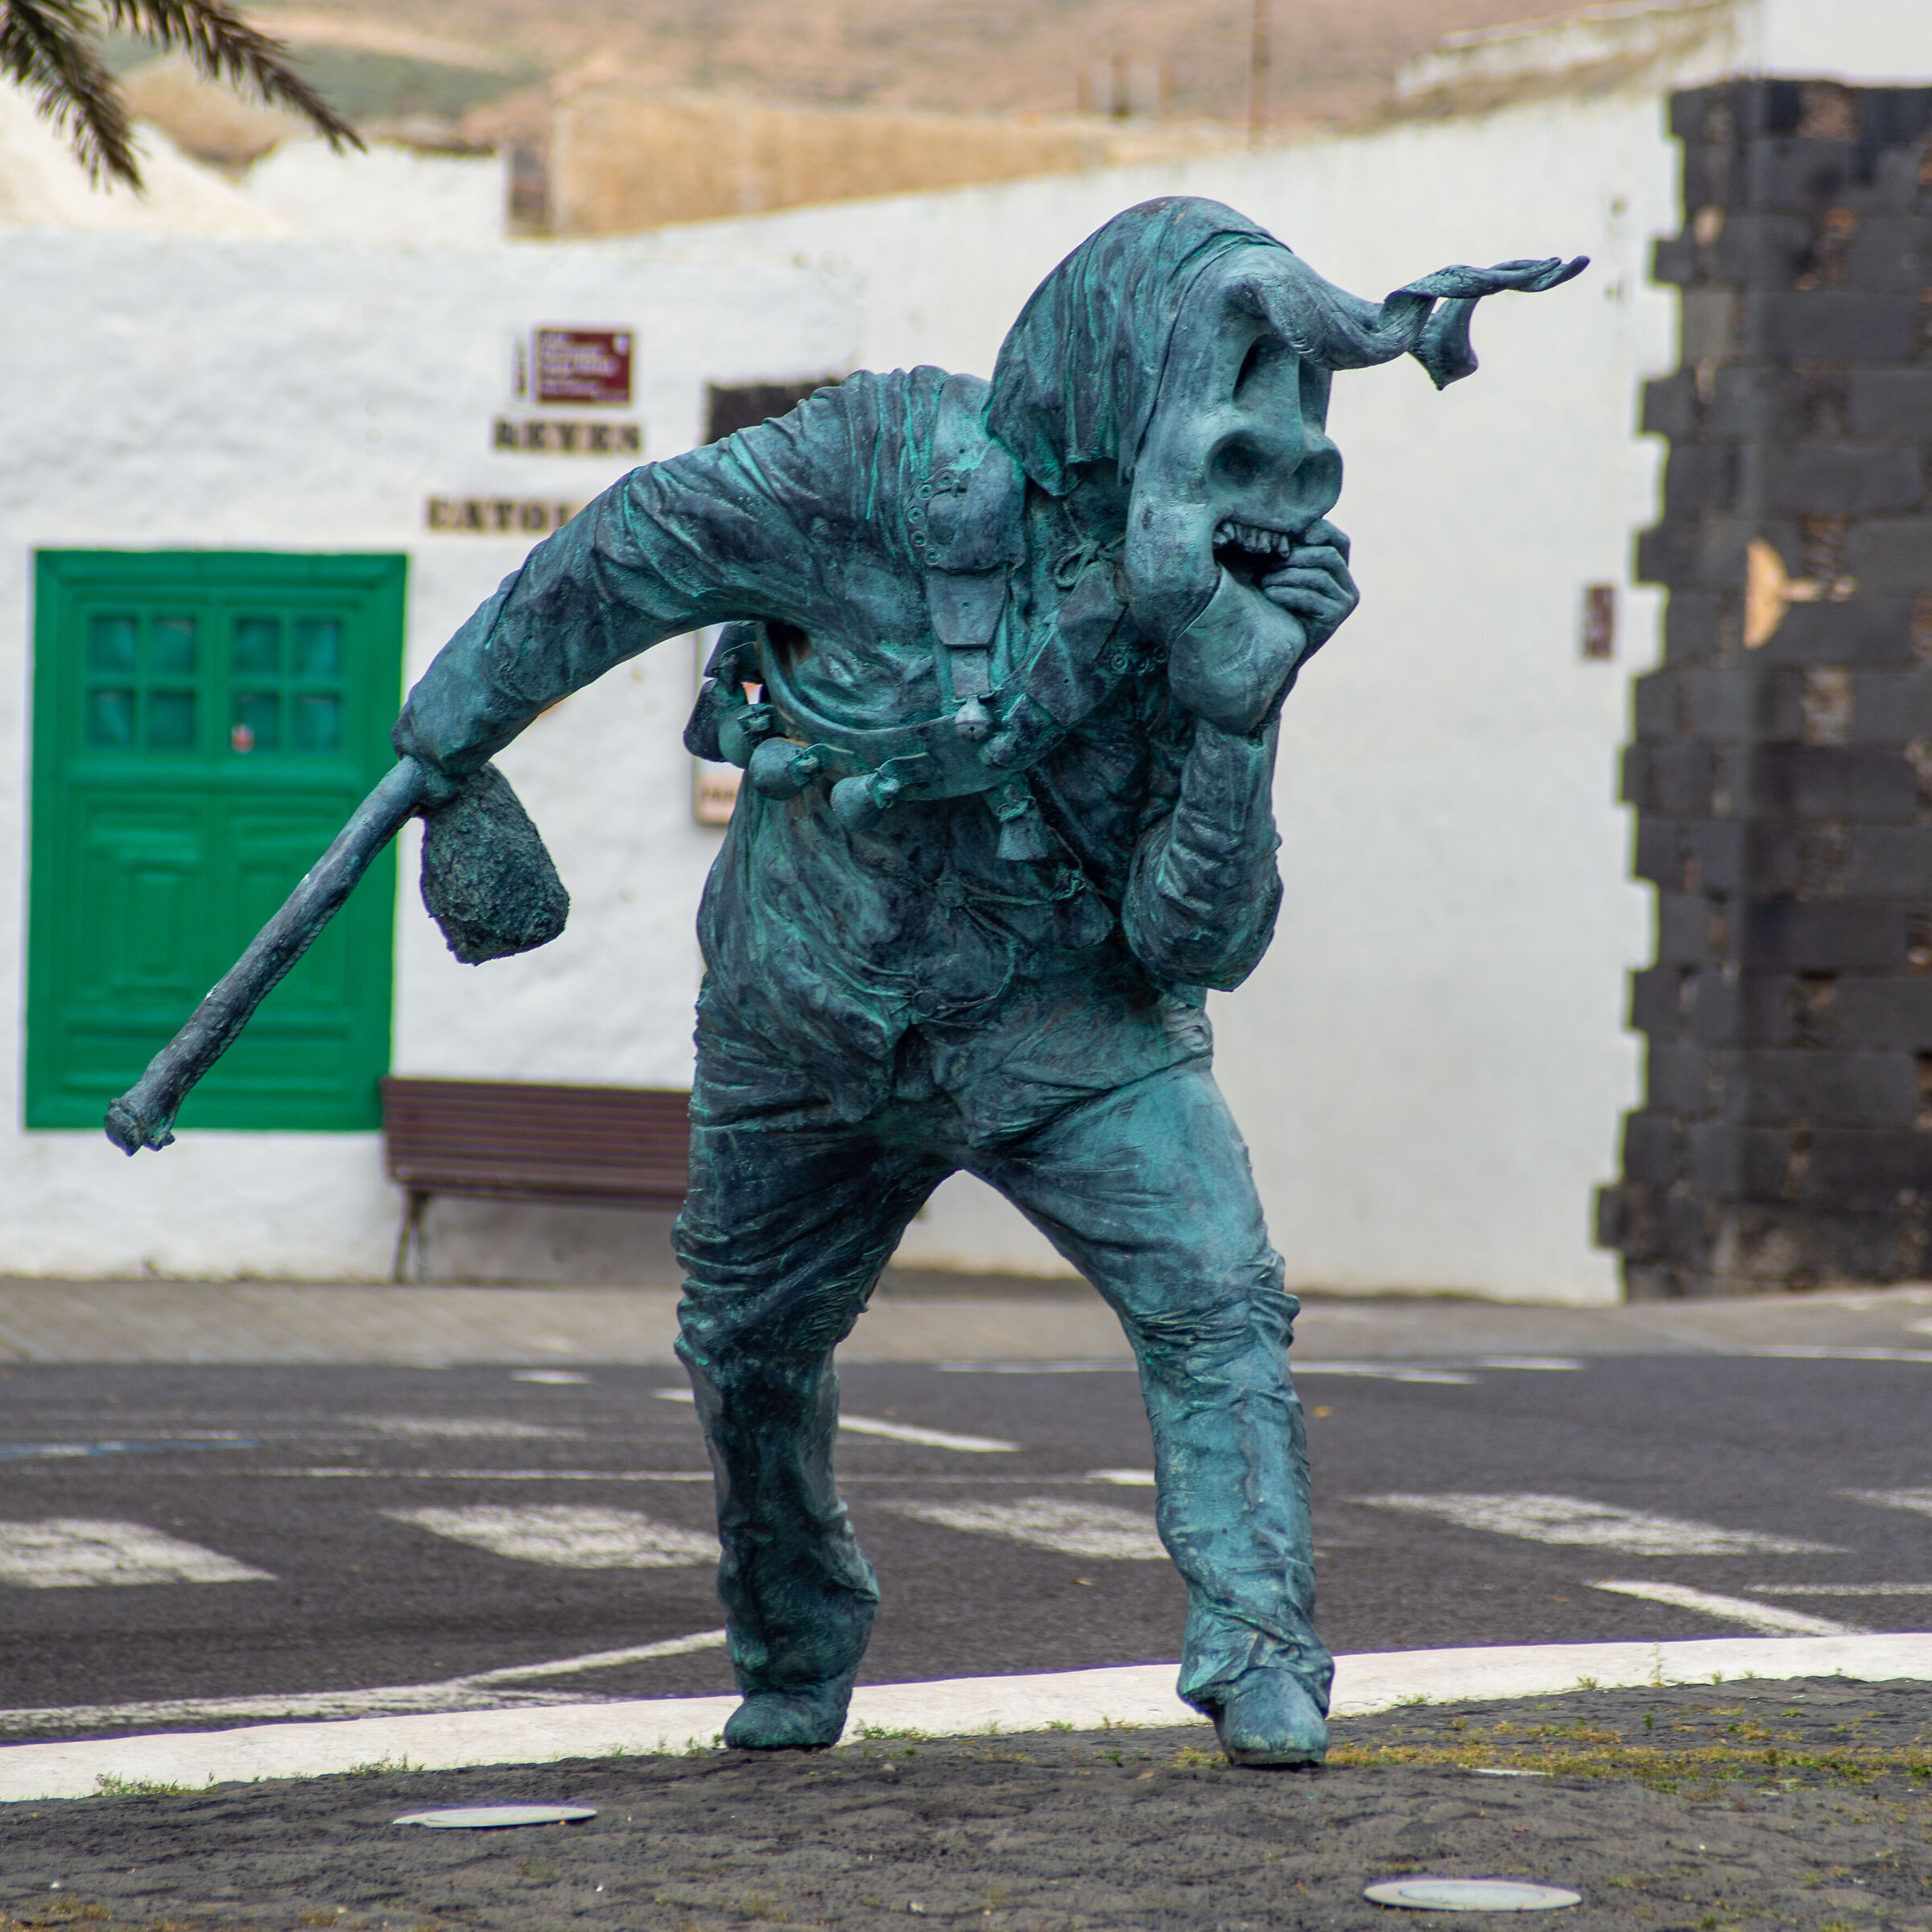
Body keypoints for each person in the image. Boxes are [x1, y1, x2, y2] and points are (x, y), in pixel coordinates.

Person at [394, 197, 1583, 1765]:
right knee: (746, 1347)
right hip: (806, 1010)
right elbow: (634, 551)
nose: (1275, 470)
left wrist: (1238, 718)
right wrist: (453, 730)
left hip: (1070, 1034)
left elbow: (1197, 945)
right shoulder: (874, 468)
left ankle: (1258, 1641)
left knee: (1219, 1295)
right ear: (1111, 388)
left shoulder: (1238, 589)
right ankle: (798, 1628)